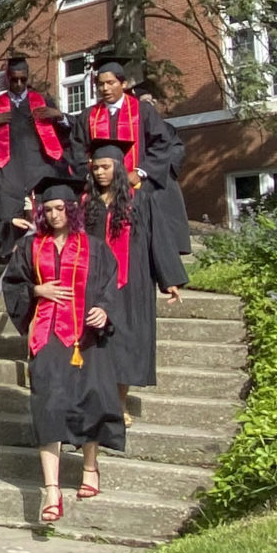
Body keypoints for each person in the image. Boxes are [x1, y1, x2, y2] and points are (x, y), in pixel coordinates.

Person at [0, 179, 124, 526]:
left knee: (92, 398)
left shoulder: (95, 248)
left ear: (73, 210)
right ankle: (52, 491)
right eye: (48, 209)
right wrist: (36, 289)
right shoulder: (31, 248)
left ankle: (89, 467)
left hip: (85, 336)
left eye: (60, 209)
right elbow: (14, 285)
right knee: (48, 406)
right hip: (46, 336)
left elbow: (110, 285)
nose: (54, 215)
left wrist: (104, 309)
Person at [84, 137, 184, 397]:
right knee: (97, 345)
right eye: (96, 167)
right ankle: (100, 401)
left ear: (118, 167)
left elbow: (158, 238)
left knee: (126, 343)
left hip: (132, 283)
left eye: (105, 167)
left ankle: (119, 403)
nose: (100, 172)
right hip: (93, 283)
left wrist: (169, 279)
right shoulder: (85, 203)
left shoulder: (140, 200)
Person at [76, 51, 192, 263]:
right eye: (101, 84)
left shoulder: (142, 111)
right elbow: (76, 151)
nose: (105, 89)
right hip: (100, 193)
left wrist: (140, 172)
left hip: (137, 190)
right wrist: (89, 176)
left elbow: (162, 144)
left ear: (124, 83)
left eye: (110, 83)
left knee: (137, 250)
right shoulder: (88, 116)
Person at [0, 51, 73, 242]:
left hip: (41, 172)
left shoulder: (43, 102)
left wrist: (59, 117)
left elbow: (67, 136)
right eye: (14, 80)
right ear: (7, 79)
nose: (19, 85)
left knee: (45, 226)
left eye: (23, 80)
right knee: (10, 226)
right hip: (7, 177)